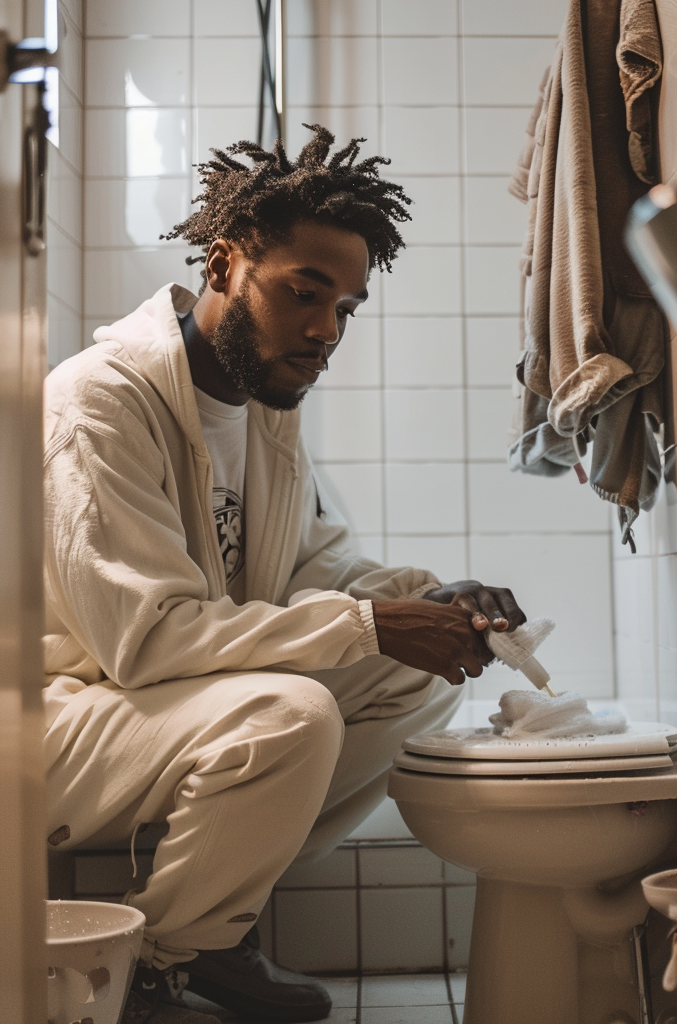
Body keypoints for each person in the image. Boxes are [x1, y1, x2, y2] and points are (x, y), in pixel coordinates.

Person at [42, 125, 526, 1023]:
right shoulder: (98, 402)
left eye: (345, 307)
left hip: (158, 713)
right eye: (305, 294)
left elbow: (316, 566)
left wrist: (430, 600)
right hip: (60, 718)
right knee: (291, 713)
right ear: (226, 266)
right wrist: (370, 623)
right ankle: (151, 971)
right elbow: (145, 639)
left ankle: (216, 931)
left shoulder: (263, 412)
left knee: (417, 678)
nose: (325, 332)